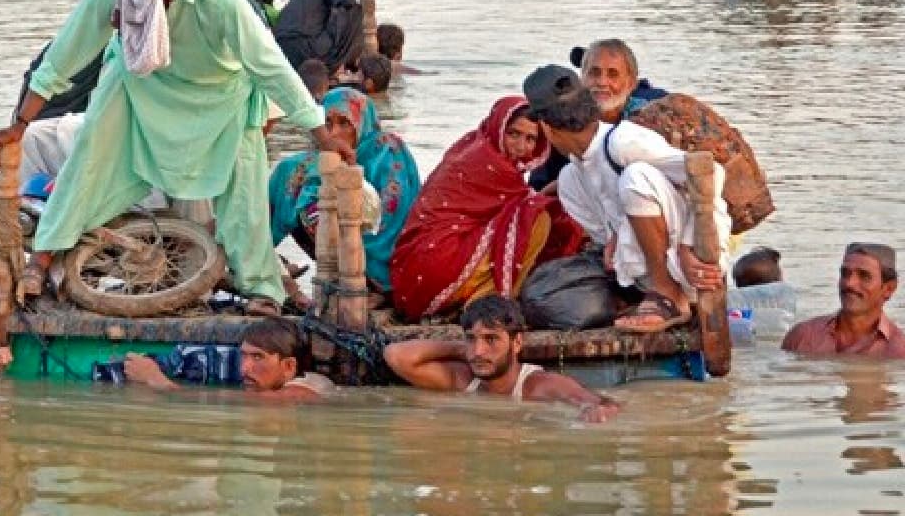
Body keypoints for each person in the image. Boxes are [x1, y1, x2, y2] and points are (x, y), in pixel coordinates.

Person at [0, 0, 355, 317]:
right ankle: (40, 260)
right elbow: (68, 50)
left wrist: (319, 133)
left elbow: (271, 68)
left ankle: (262, 289)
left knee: (244, 191)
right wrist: (20, 124)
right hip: (139, 81)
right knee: (89, 156)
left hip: (220, 92)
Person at [523, 64, 729, 333]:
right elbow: (613, 232)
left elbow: (711, 172)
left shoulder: (622, 141)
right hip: (644, 276)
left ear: (547, 129)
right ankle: (650, 295)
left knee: (636, 178)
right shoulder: (572, 178)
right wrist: (615, 239)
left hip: (694, 266)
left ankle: (669, 297)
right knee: (568, 185)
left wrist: (688, 247)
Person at [389, 97, 586, 322]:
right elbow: (526, 205)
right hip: (434, 267)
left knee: (528, 211)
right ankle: (494, 302)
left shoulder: (470, 146)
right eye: (513, 134)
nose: (521, 146)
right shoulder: (488, 162)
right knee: (536, 216)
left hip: (409, 275)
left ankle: (471, 300)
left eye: (530, 139)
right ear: (498, 128)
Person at [268, 88, 420, 295]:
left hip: (383, 254)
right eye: (327, 124)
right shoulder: (319, 157)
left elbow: (392, 215)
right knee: (291, 174)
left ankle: (372, 286)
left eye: (344, 123)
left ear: (361, 124)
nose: (333, 133)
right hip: (341, 247)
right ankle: (260, 263)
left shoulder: (386, 150)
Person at [383, 295, 620, 422]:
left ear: (517, 343)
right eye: (472, 339)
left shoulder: (540, 386)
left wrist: (596, 412)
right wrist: (461, 349)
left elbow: (604, 404)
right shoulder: (462, 380)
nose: (478, 351)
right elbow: (396, 355)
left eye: (491, 339)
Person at [529, 39, 668, 192]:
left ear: (632, 83)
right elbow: (538, 186)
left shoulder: (654, 117)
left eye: (613, 74)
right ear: (581, 78)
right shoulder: (563, 121)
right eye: (594, 73)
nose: (602, 82)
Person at [123, 317, 336, 400]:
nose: (244, 368)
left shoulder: (303, 390)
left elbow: (244, 402)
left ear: (289, 366)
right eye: (243, 356)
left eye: (257, 357)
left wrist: (157, 381)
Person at [782, 243, 904, 359]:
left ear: (889, 288)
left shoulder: (898, 352)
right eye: (845, 273)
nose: (849, 283)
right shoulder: (803, 336)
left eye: (864, 276)